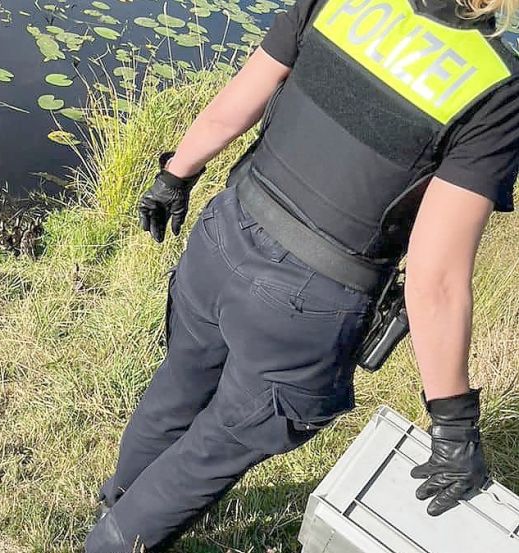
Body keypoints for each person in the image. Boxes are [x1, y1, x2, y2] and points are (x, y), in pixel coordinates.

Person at [86, 0, 519, 549]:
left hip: (225, 236)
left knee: (177, 386)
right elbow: (435, 278)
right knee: (211, 450)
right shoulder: (496, 92)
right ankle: (112, 541)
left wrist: (176, 174)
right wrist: (452, 423)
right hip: (305, 307)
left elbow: (237, 100)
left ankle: (115, 505)